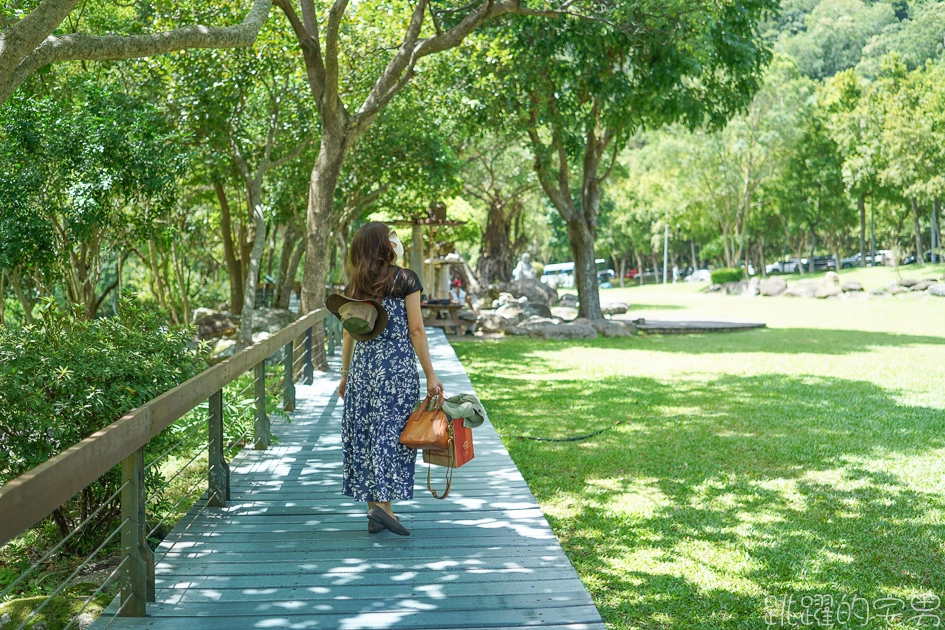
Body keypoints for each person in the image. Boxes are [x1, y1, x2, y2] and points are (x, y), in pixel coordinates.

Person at [335, 222, 443, 536]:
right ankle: (384, 508)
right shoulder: (406, 279)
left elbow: (348, 333)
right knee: (394, 435)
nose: (396, 240)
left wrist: (345, 374)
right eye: (391, 236)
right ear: (384, 245)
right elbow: (416, 330)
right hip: (396, 372)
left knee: (368, 434)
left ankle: (375, 509)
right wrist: (431, 375)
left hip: (364, 371)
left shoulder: (356, 284)